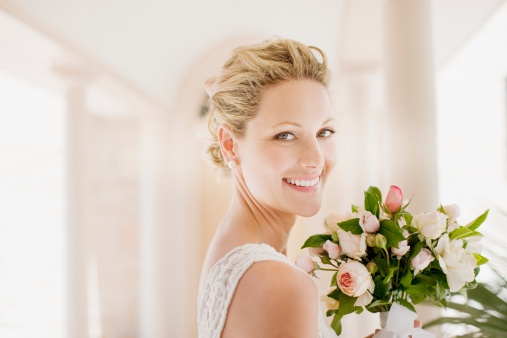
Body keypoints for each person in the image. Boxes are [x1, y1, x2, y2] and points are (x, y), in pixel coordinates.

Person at [196, 37, 418, 337]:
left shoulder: (234, 251)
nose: (316, 159)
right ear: (229, 145)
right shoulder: (278, 282)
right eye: (285, 135)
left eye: (324, 131)